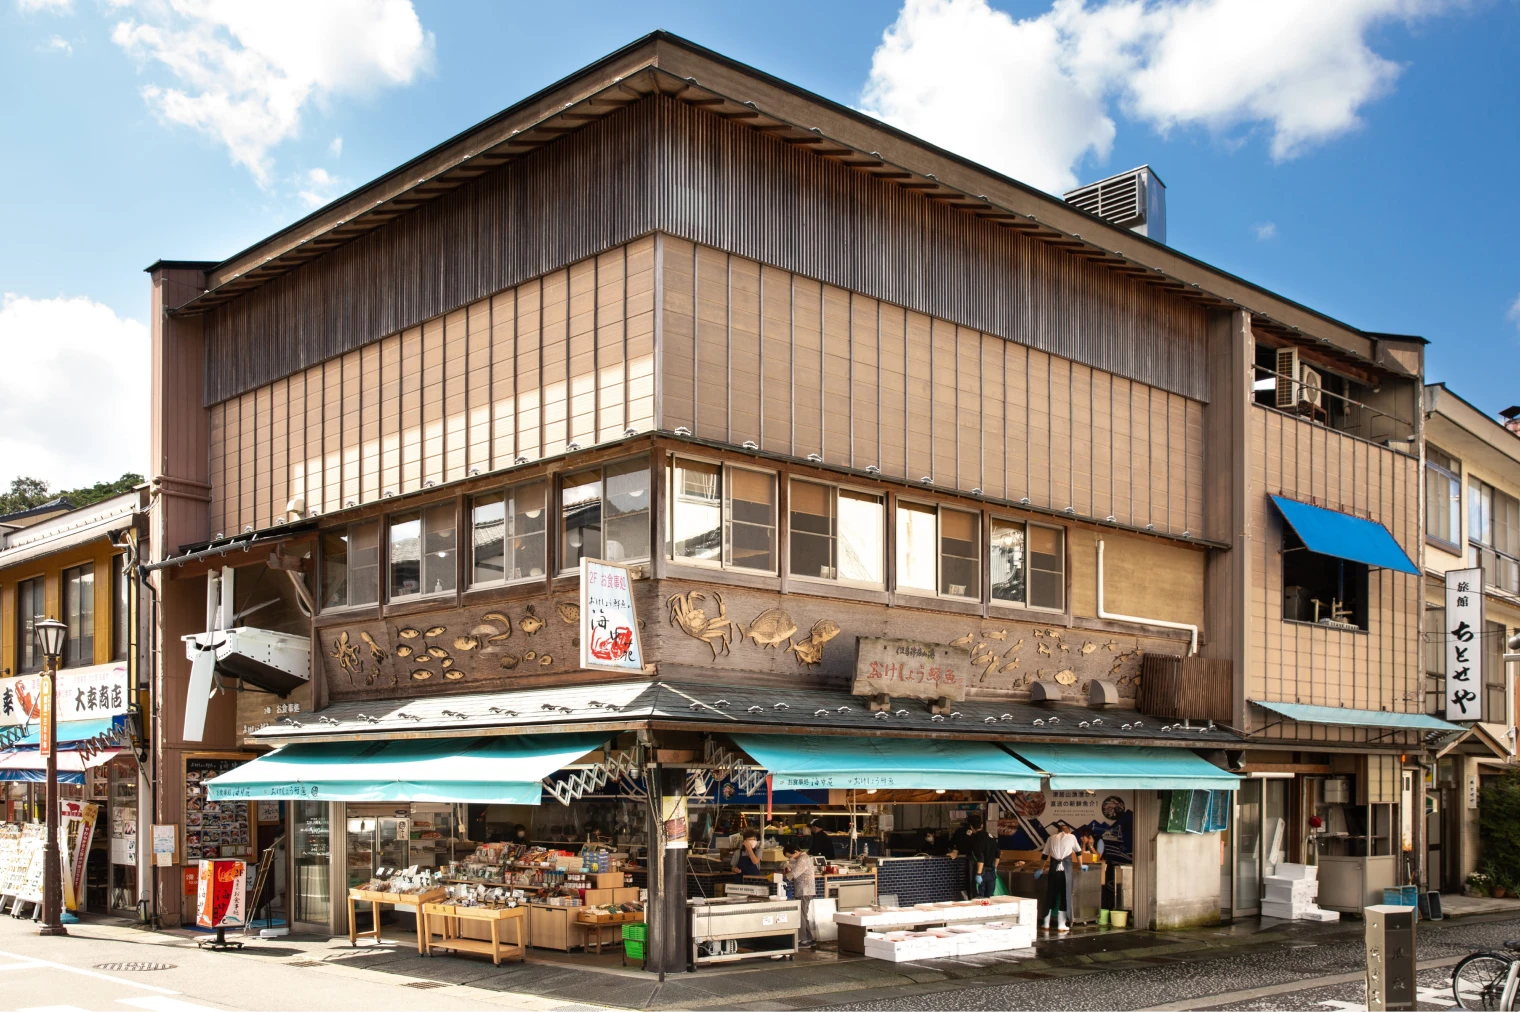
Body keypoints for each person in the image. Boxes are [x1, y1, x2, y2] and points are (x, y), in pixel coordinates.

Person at [1040, 821, 1081, 932]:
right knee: (1064, 897)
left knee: (1050, 896)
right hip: (1065, 873)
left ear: (1058, 831)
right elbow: (1079, 853)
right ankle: (1061, 925)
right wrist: (1081, 866)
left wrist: (1040, 869)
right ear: (1068, 831)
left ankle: (1046, 924)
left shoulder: (1051, 838)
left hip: (1053, 872)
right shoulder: (1072, 837)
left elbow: (1044, 856)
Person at [783, 844, 816, 948]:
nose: (790, 858)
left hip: (804, 890)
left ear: (796, 851)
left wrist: (783, 878)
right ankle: (809, 938)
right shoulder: (803, 858)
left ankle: (804, 940)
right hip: (805, 891)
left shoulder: (802, 859)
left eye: (790, 856)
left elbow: (795, 873)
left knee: (801, 915)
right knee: (803, 914)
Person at [960, 813, 1000, 898]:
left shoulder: (975, 839)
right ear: (982, 825)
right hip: (992, 871)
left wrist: (978, 874)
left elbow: (980, 858)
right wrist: (995, 867)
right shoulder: (991, 836)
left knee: (979, 898)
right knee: (990, 897)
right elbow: (998, 853)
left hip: (981, 872)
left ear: (971, 827)